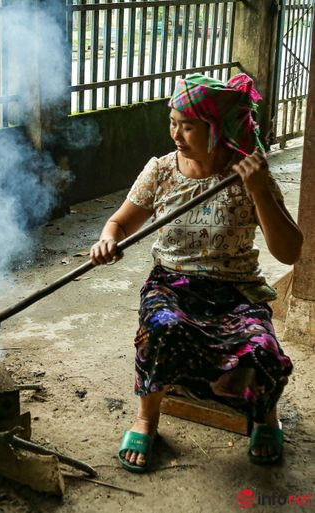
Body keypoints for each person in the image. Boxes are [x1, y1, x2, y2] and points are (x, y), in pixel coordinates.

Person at [89, 73, 303, 473]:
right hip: (172, 284)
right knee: (161, 328)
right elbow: (118, 224)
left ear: (219, 130)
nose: (176, 133)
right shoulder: (161, 171)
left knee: (262, 347)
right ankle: (146, 419)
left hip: (235, 289)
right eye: (173, 122)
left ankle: (265, 416)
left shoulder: (250, 174)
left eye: (188, 126)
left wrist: (258, 189)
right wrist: (107, 240)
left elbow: (290, 251)